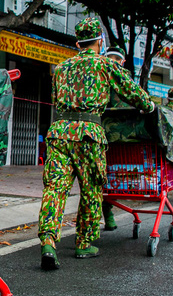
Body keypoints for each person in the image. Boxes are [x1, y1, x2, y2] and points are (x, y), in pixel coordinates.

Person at [38, 15, 156, 270]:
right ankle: (84, 242)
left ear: (78, 43)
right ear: (99, 41)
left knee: (54, 189)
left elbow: (56, 99)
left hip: (59, 131)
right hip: (90, 133)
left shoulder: (60, 68)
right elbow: (132, 92)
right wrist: (149, 106)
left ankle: (48, 241)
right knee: (91, 188)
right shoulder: (105, 65)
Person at [101, 45, 128, 232]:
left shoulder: (98, 74)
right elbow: (137, 98)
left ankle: (107, 214)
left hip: (103, 135)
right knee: (116, 172)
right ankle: (108, 214)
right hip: (124, 136)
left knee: (104, 176)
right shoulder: (123, 76)